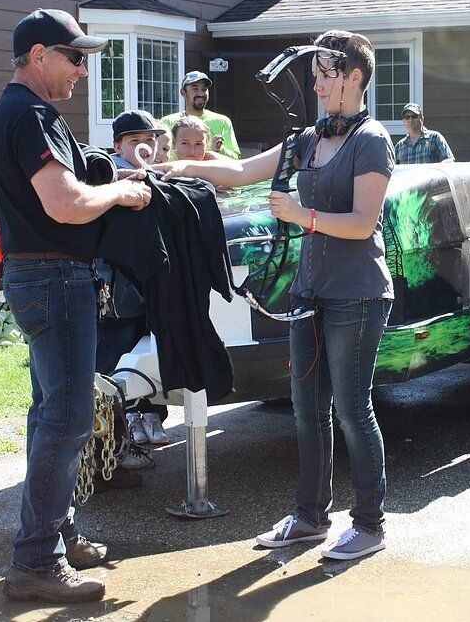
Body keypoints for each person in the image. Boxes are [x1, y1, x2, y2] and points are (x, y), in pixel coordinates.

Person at [159, 30, 395, 560]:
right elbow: (243, 170)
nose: (315, 82)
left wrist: (301, 215)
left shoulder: (372, 139)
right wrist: (181, 167)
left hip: (356, 295)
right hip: (309, 291)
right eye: (314, 73)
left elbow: (362, 224)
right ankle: (311, 517)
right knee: (306, 407)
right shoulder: (308, 138)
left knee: (353, 409)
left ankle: (370, 524)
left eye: (325, 73)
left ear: (355, 78)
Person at [0, 8, 151, 604]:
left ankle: (55, 534)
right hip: (54, 278)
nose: (83, 70)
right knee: (66, 419)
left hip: (42, 278)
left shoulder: (20, 112)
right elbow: (64, 204)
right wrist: (124, 192)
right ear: (38, 55)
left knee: (50, 414)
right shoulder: (29, 114)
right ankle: (35, 561)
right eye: (74, 57)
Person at [97, 109, 171, 455]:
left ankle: (151, 415)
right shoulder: (102, 175)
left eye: (150, 141)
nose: (144, 147)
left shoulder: (164, 175)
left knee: (155, 352)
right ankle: (115, 433)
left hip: (154, 284)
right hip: (117, 289)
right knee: (115, 355)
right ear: (117, 145)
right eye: (135, 141)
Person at [161, 71, 241, 159]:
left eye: (204, 89)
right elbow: (159, 153)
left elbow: (236, 158)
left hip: (211, 173)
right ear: (183, 92)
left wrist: (220, 150)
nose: (201, 94)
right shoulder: (167, 122)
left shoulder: (222, 121)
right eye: (195, 89)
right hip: (176, 172)